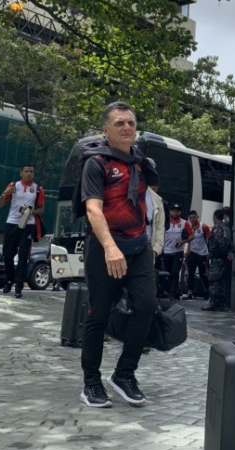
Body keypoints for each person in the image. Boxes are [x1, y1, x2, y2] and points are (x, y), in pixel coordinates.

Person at [73, 101, 159, 408]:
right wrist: (110, 247)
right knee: (99, 313)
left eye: (131, 123)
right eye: (119, 123)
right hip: (105, 247)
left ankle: (124, 374)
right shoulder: (96, 163)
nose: (126, 127)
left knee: (146, 307)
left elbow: (148, 203)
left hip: (139, 247)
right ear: (106, 130)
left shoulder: (142, 163)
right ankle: (91, 382)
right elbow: (93, 210)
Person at [0, 164, 46, 298]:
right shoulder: (14, 186)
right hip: (12, 223)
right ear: (21, 173)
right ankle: (9, 279)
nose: (29, 173)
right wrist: (5, 193)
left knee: (23, 256)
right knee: (7, 255)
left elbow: (42, 210)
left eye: (31, 171)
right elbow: (0, 204)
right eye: (26, 171)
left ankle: (19, 286)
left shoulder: (38, 189)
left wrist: (31, 211)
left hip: (28, 225)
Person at [204, 207, 234, 311]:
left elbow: (216, 244)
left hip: (217, 259)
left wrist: (210, 253)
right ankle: (221, 304)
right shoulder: (227, 228)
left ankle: (214, 302)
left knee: (214, 281)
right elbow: (230, 244)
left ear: (215, 217)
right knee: (221, 282)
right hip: (224, 259)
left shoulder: (217, 228)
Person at [161, 203, 191, 299]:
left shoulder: (184, 223)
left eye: (177, 211)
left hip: (177, 252)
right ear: (170, 211)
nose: (175, 212)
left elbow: (192, 235)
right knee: (166, 273)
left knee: (175, 272)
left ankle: (172, 293)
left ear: (180, 212)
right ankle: (169, 291)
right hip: (166, 252)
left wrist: (183, 242)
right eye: (173, 210)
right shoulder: (165, 222)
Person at [182, 210, 211, 300]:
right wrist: (186, 252)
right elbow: (186, 240)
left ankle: (207, 292)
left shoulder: (203, 226)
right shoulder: (188, 227)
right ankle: (190, 292)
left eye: (194, 217)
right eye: (190, 218)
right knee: (190, 273)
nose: (192, 219)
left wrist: (209, 253)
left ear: (197, 217)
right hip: (192, 253)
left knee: (203, 274)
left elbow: (209, 240)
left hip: (202, 253)